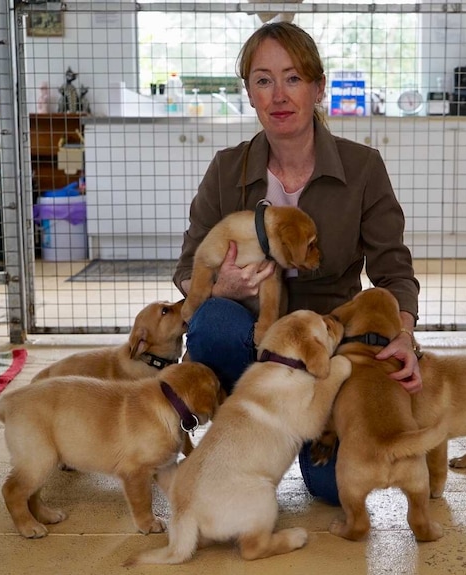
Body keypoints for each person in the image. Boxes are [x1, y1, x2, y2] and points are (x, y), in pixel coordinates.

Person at [173, 21, 421, 505]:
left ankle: (310, 428)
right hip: (251, 333)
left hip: (326, 346)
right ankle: (241, 433)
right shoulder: (227, 168)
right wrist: (217, 286)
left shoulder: (363, 167)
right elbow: (187, 268)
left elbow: (393, 270)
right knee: (213, 323)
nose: (279, 95)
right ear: (249, 93)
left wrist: (405, 335)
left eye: (293, 78)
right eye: (264, 80)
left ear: (317, 87)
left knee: (332, 490)